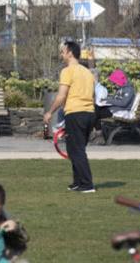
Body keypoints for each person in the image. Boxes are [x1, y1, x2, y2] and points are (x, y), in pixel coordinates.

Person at [44, 41, 96, 193]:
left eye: (62, 52)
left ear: (70, 53)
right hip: (89, 113)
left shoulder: (67, 71)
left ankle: (87, 184)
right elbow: (93, 95)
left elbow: (61, 96)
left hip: (75, 113)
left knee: (76, 150)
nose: (61, 55)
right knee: (75, 149)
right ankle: (78, 182)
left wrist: (49, 113)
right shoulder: (87, 72)